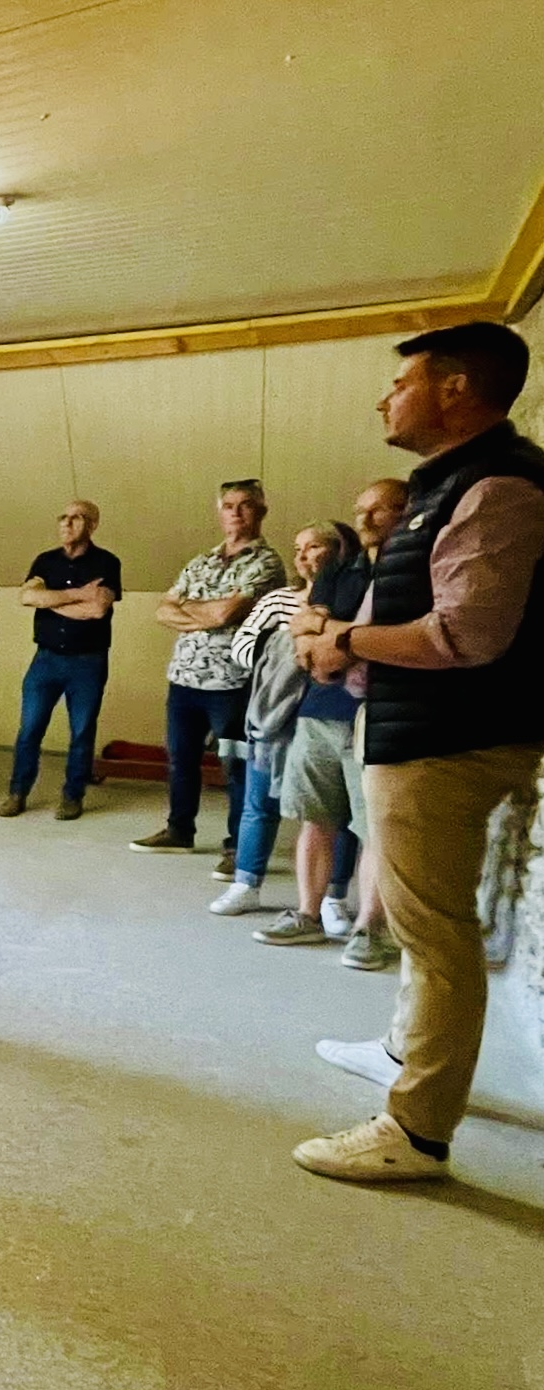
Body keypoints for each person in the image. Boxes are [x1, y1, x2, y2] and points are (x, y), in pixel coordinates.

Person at [293, 321, 544, 1182]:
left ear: (455, 388)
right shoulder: (449, 486)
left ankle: (417, 1132)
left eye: (400, 382)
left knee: (436, 936)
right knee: (420, 921)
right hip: (425, 733)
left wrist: (350, 641)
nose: (382, 398)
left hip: (449, 741)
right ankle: (408, 1056)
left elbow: (464, 636)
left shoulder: (499, 486)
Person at [256, 480, 410, 957]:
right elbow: (299, 628)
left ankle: (368, 929)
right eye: (359, 510)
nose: (364, 520)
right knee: (314, 818)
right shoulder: (338, 570)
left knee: (375, 830)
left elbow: (402, 637)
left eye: (379, 511)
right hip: (320, 712)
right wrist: (335, 641)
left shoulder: (413, 572)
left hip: (381, 715)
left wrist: (334, 638)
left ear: (405, 513)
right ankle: (307, 914)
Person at [130, 481, 286, 869]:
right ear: (219, 512)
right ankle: (179, 830)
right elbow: (163, 611)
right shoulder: (200, 561)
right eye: (229, 505)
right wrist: (210, 613)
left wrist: (194, 611)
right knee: (180, 759)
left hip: (232, 682)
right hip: (184, 679)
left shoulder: (266, 562)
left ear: (261, 511)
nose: (236, 513)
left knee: (235, 765)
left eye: (245, 506)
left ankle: (237, 847)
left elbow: (226, 615)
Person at [209, 522, 354, 918]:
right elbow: (241, 646)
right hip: (275, 719)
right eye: (298, 548)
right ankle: (246, 883)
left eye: (314, 547)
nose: (303, 555)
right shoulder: (278, 600)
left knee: (333, 813)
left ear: (340, 552)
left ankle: (333, 899)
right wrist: (287, 660)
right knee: (259, 804)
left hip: (329, 715)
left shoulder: (353, 600)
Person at [0, 500, 120, 821]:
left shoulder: (107, 562)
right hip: (46, 660)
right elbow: (26, 596)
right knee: (29, 729)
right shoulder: (45, 561)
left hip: (88, 664)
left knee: (81, 732)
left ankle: (72, 796)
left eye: (76, 518)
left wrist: (48, 599)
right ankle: (17, 792)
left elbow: (96, 610)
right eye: (63, 517)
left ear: (92, 525)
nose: (67, 523)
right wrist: (79, 593)